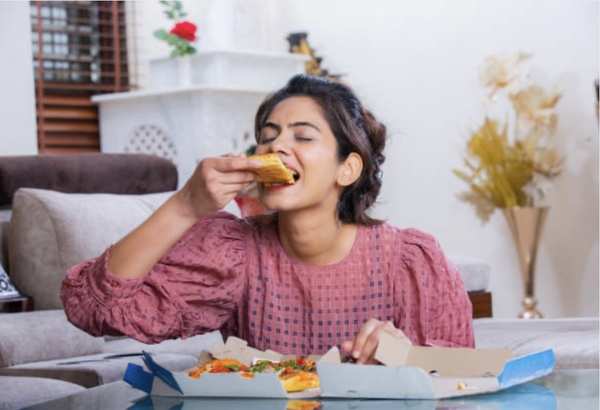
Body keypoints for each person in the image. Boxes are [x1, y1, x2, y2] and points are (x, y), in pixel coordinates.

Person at [61, 75, 474, 364]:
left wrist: (404, 356)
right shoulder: (234, 255)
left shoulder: (410, 260)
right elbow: (94, 308)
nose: (276, 146)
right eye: (269, 134)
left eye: (303, 136)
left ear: (347, 169)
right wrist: (186, 204)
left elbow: (465, 373)